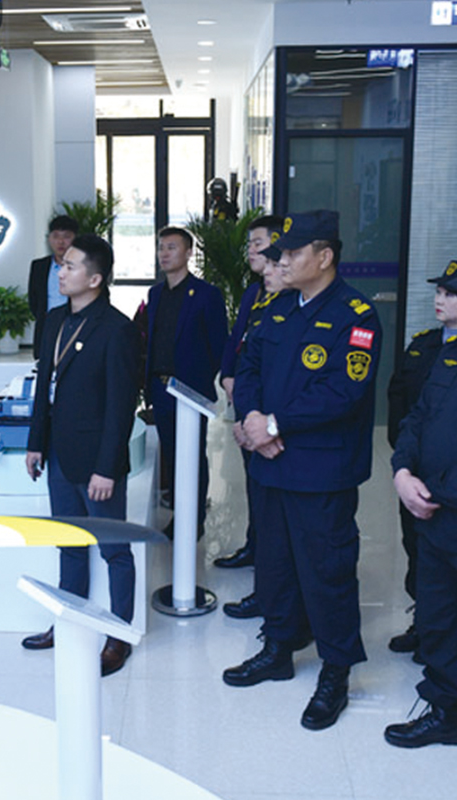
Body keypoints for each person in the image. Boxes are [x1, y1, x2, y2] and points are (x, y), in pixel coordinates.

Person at [223, 210, 382, 732]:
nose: (282, 261)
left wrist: (273, 423)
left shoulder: (356, 315)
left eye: (292, 253)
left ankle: (336, 671)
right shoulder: (277, 308)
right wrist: (252, 418)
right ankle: (278, 648)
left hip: (321, 469)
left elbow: (343, 390)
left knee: (326, 570)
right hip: (271, 463)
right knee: (274, 564)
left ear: (324, 256)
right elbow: (248, 366)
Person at [21, 234, 140, 677]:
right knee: (69, 545)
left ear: (95, 279)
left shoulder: (117, 329)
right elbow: (44, 388)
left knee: (114, 551)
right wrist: (35, 442)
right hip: (59, 454)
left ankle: (118, 636)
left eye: (70, 266)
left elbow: (121, 406)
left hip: (96, 463)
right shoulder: (54, 320)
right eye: (61, 264)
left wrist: (107, 468)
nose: (61, 271)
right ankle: (69, 623)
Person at [385, 261, 457, 748]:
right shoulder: (444, 353)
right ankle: (445, 708)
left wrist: (434, 490)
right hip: (430, 508)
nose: (442, 299)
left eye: (452, 294)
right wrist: (403, 470)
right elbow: (417, 416)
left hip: (444, 503)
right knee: (436, 613)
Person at [145, 226, 227, 538]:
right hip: (160, 387)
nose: (164, 254)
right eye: (161, 248)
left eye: (172, 247)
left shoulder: (207, 295)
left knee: (192, 455)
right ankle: (179, 516)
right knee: (171, 454)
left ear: (189, 252)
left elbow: (219, 346)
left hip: (191, 390)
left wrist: (200, 380)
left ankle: (194, 520)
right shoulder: (155, 294)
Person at [215, 214, 284, 577]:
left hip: (268, 411)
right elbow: (236, 338)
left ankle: (269, 561)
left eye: (258, 243)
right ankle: (255, 546)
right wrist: (228, 376)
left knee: (269, 490)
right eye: (250, 244)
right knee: (253, 483)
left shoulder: (287, 295)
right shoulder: (253, 292)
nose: (251, 251)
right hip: (245, 399)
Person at [27, 214, 79, 356]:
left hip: (75, 325)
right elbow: (34, 300)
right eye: (55, 236)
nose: (60, 242)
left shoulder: (83, 267)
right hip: (46, 327)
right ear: (49, 239)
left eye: (66, 236)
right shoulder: (39, 266)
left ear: (75, 239)